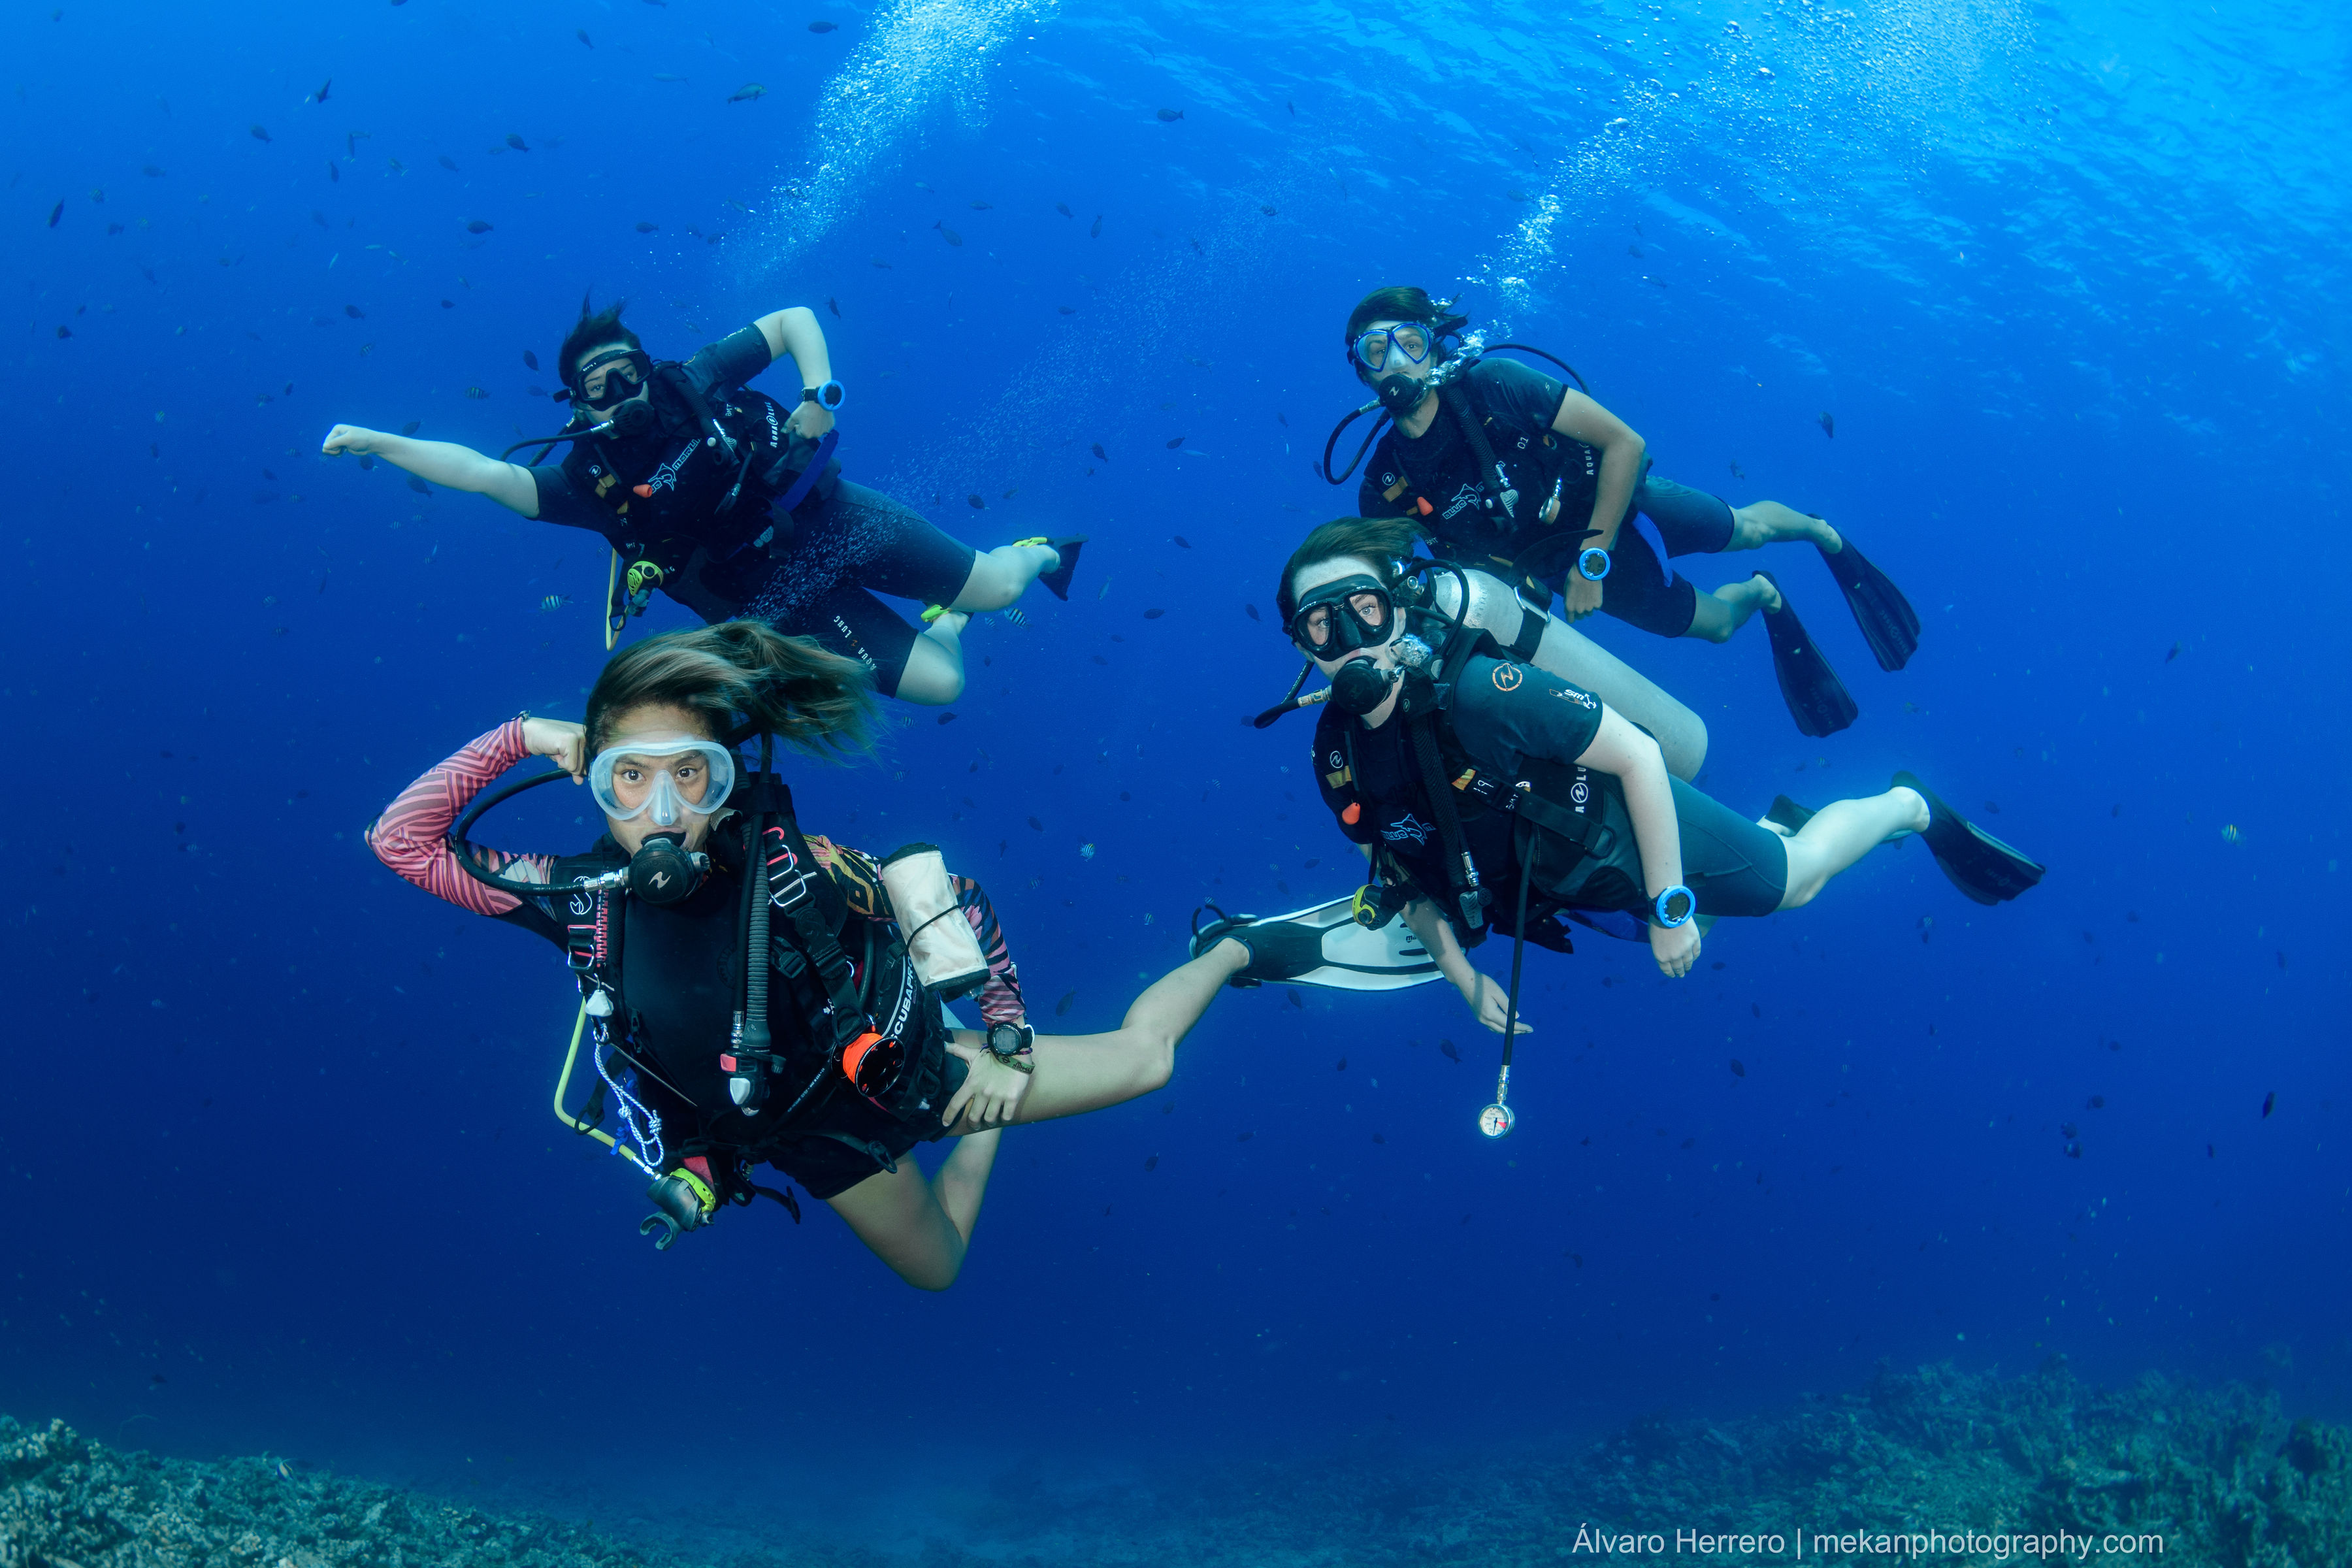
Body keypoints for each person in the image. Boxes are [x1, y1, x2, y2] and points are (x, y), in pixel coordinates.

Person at [367, 621, 1251, 1288]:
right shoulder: (583, 902)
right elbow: (402, 842)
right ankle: (988, 1139)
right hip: (808, 1136)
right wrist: (521, 735)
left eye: (692, 775)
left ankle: (1232, 948)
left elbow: (954, 903)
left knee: (1148, 1063)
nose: (663, 813)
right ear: (592, 780)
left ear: (727, 781)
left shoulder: (800, 869)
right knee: (937, 1271)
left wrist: (1008, 1041)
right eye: (628, 778)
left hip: (921, 1069)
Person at [1202, 518, 2041, 1041]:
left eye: (1364, 609)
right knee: (1690, 907)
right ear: (1300, 645)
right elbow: (1395, 867)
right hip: (1557, 883)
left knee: (1797, 886)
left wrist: (1672, 904)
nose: (1349, 636)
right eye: (1321, 623)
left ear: (1399, 609)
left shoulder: (1483, 692)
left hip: (1635, 837)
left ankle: (1906, 804)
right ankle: (1767, 833)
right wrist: (1463, 980)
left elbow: (1639, 756)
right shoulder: (1336, 752)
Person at [322, 300, 1080, 705]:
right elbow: (486, 474)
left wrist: (819, 395)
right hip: (777, 596)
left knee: (1002, 586)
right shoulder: (589, 483)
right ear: (578, 408)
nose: (623, 394)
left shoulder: (696, 381)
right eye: (600, 388)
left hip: (834, 521)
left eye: (627, 373)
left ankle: (1038, 549)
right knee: (943, 688)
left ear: (647, 366)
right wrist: (380, 443)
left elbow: (792, 321)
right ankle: (945, 626)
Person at [1335, 286, 1919, 738]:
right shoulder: (1387, 482)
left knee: (1748, 529)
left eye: (1409, 342)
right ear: (1362, 369)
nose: (1396, 362)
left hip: (1618, 506)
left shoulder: (1496, 385)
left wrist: (1593, 559)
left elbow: (1625, 444)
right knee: (1718, 627)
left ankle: (1820, 531)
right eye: (1376, 349)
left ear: (1433, 344)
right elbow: (1388, 588)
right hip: (1557, 570)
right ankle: (1765, 594)